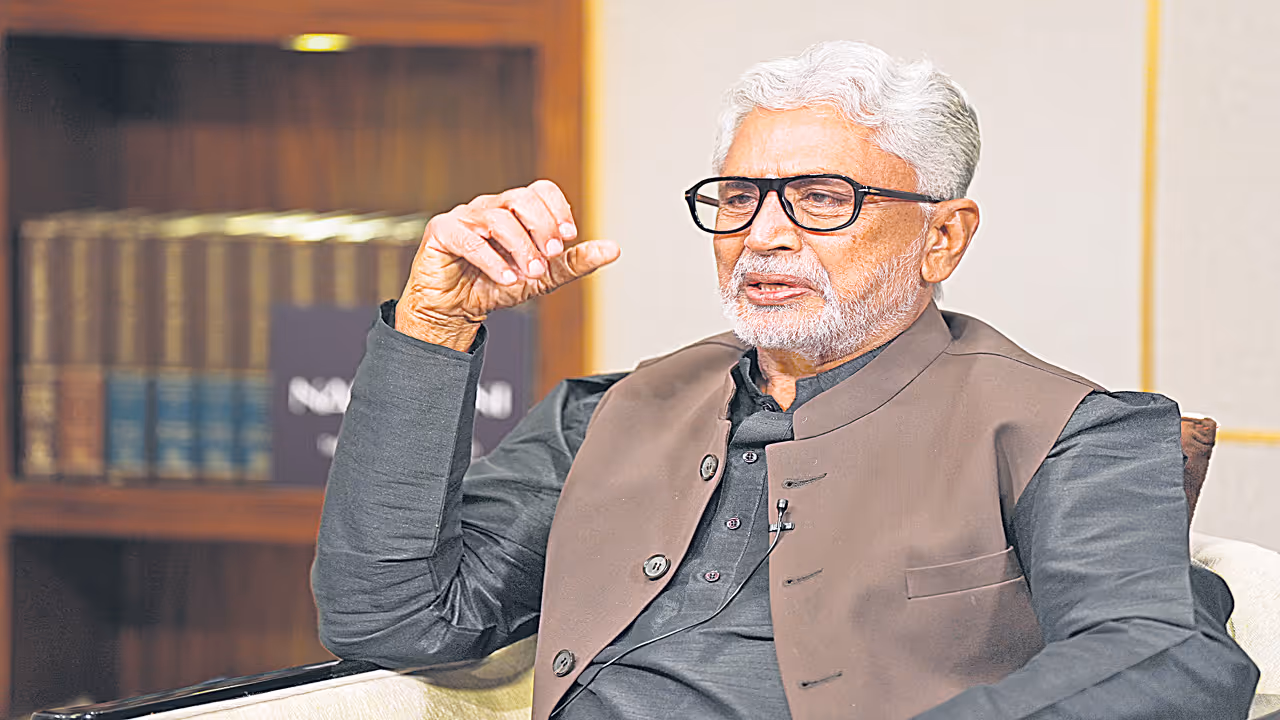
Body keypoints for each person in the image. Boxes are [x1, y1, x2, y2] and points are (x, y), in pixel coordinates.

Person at [311, 41, 1259, 719]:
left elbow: (1165, 657)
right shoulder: (608, 414)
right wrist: (438, 323)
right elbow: (394, 620)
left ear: (943, 237)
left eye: (821, 198)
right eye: (737, 197)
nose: (762, 235)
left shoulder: (1070, 432)